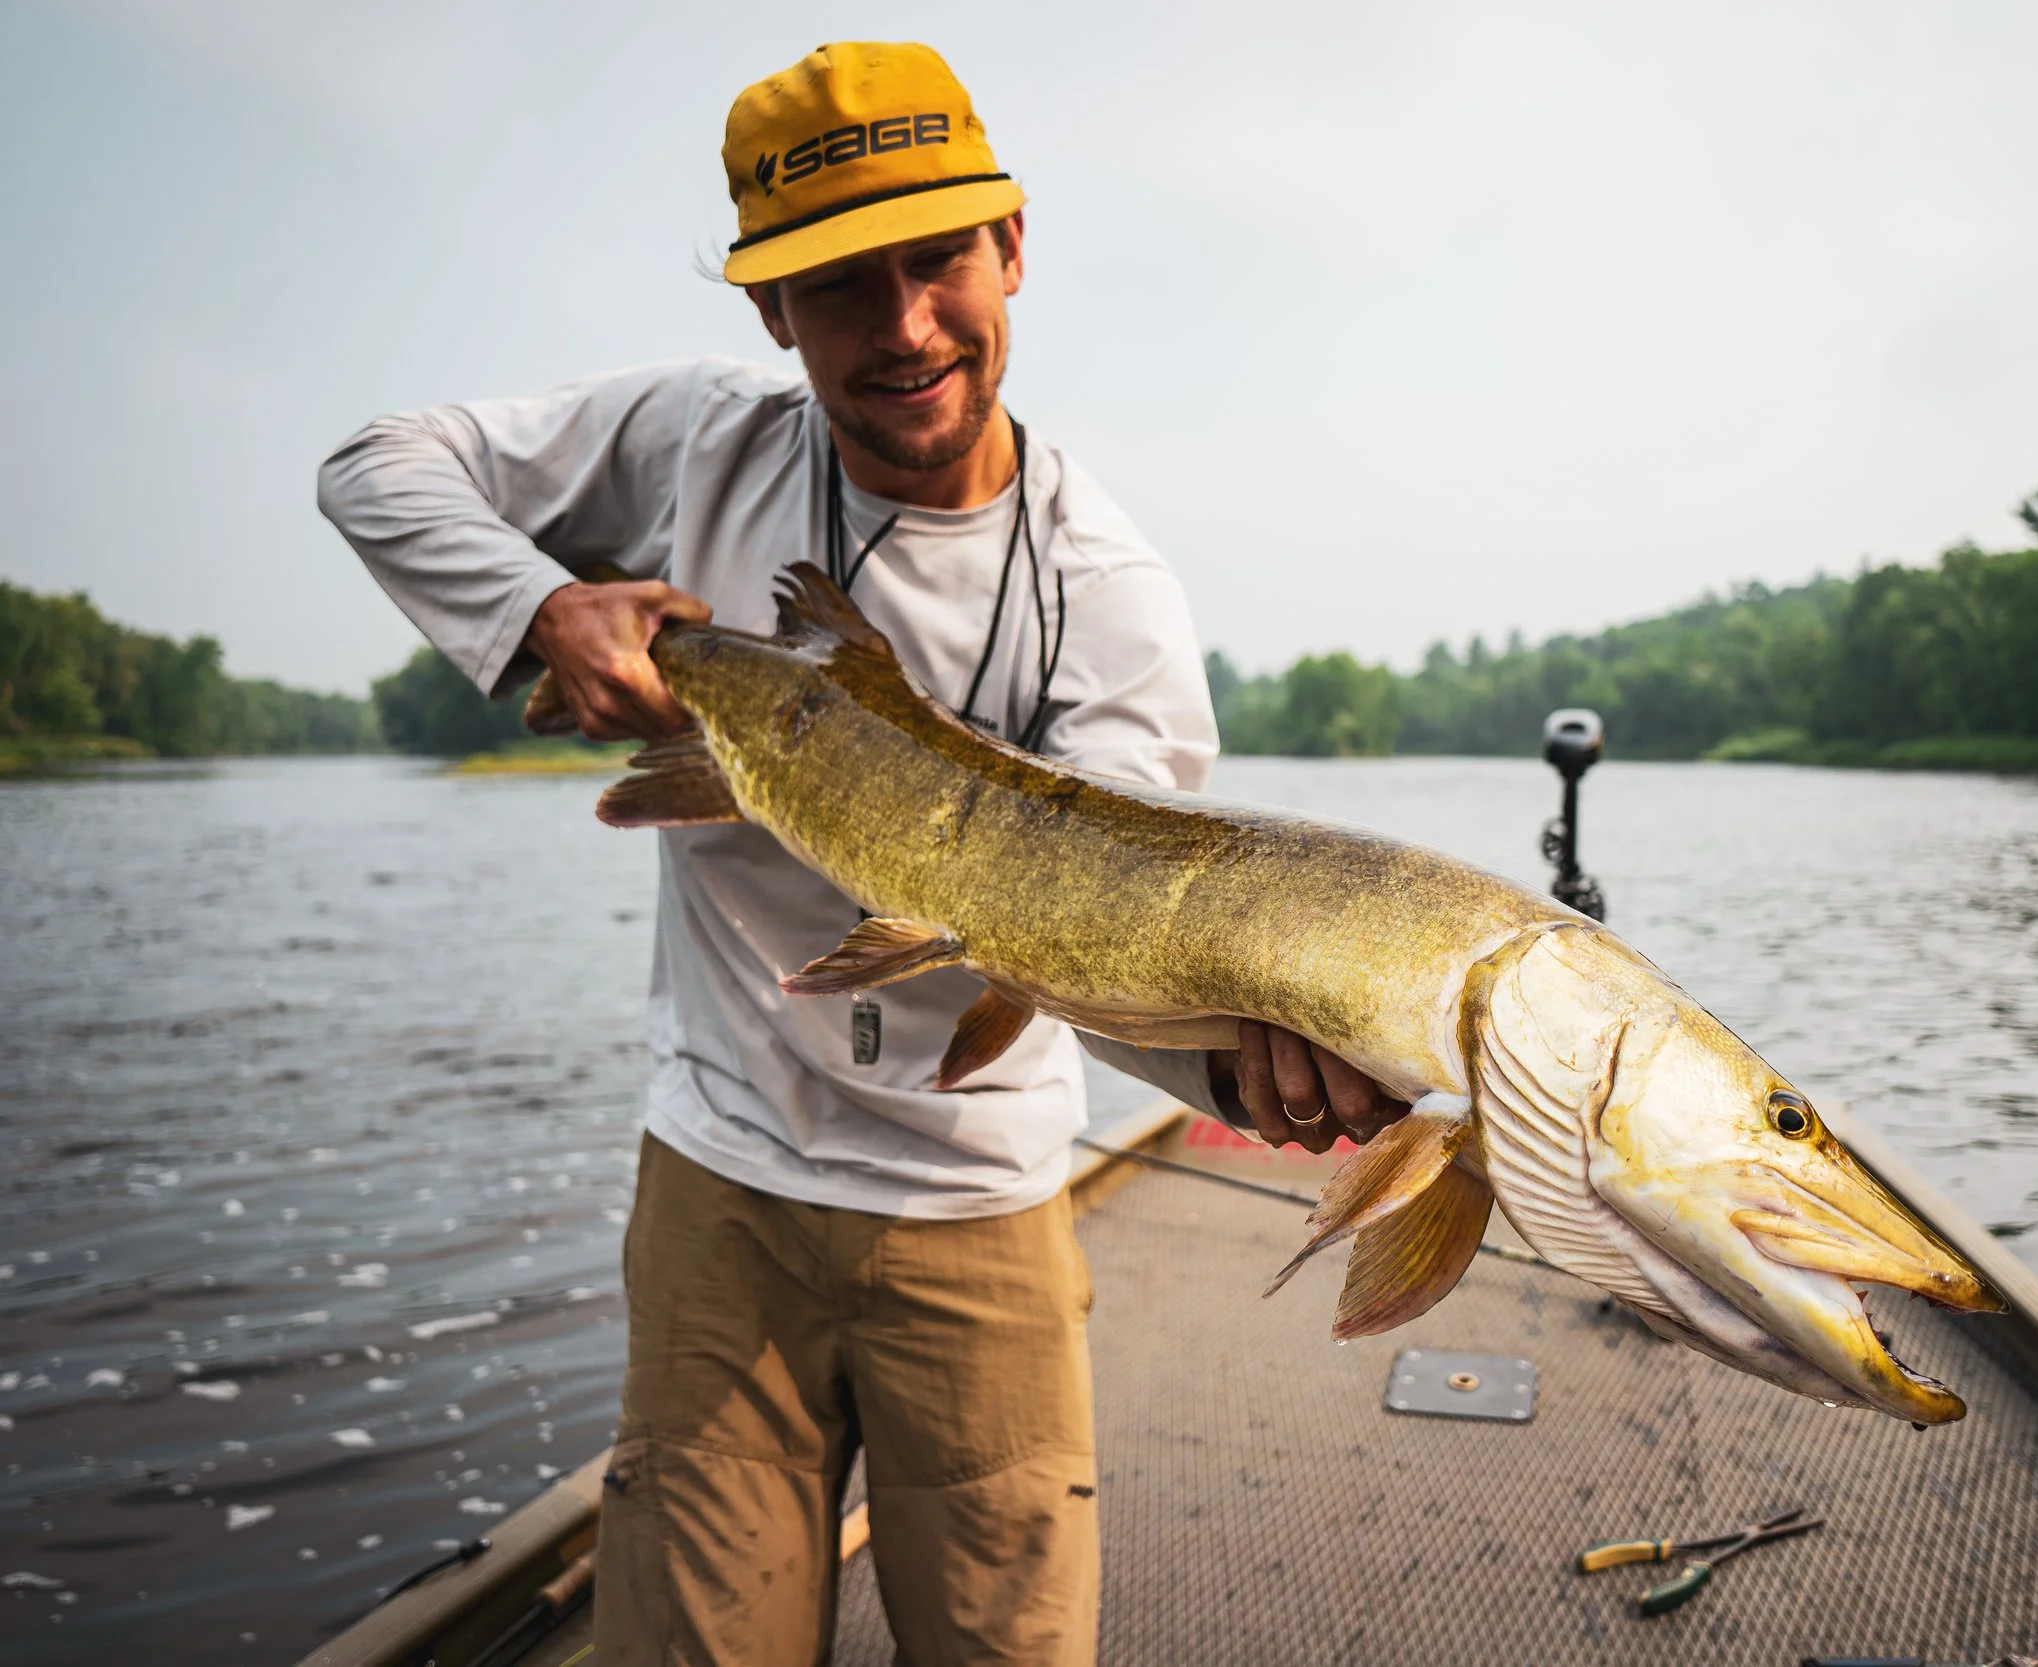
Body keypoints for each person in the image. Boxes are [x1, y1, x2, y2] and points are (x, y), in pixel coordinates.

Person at [318, 40, 1406, 1667]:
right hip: (722, 1181)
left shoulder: (1109, 595)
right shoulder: (697, 440)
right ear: (773, 309)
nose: (902, 327)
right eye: (838, 284)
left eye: (937, 259)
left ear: (1012, 247)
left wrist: (1252, 1074)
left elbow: (1108, 961)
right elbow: (376, 467)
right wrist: (544, 606)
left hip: (977, 1204)